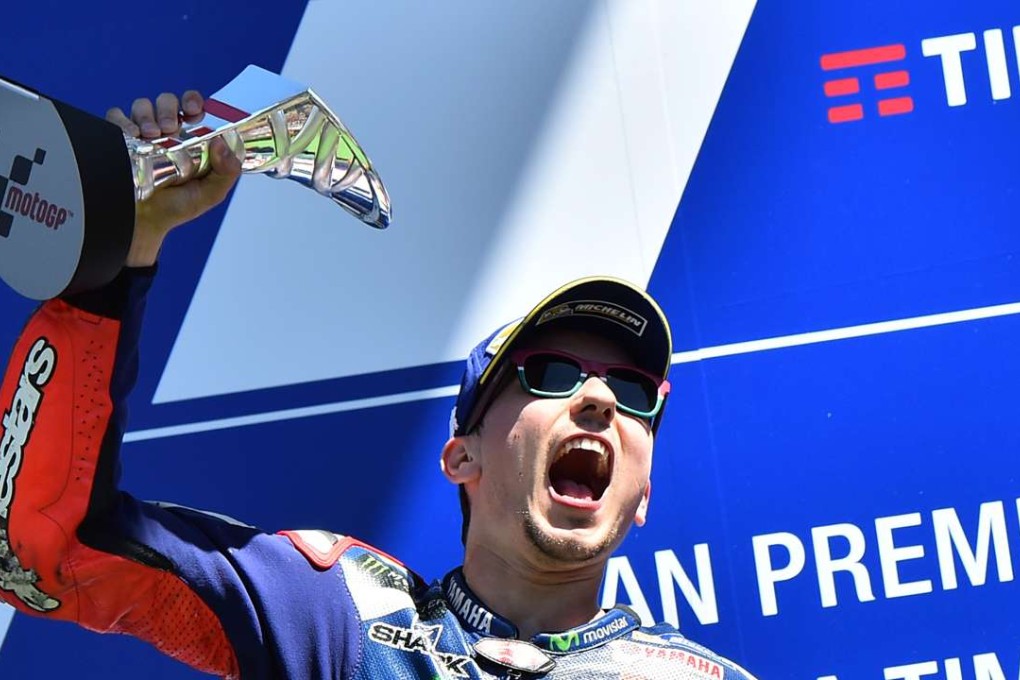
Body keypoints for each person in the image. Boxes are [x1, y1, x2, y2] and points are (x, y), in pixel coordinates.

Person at [0, 90, 757, 679]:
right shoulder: (338, 616)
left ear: (645, 492)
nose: (596, 400)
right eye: (551, 375)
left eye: (631, 393)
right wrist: (121, 252)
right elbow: (41, 545)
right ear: (463, 458)